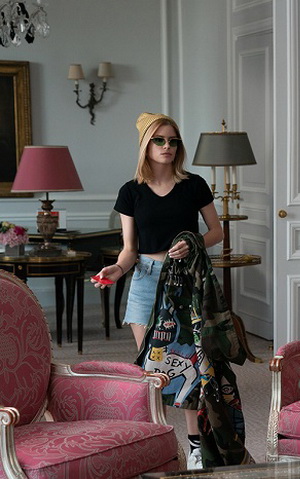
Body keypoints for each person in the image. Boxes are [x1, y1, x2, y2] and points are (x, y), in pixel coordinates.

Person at [91, 112, 223, 469]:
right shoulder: (131, 191)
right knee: (154, 371)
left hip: (187, 280)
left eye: (173, 141)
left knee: (191, 368)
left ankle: (195, 447)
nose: (167, 146)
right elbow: (129, 250)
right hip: (146, 280)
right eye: (159, 140)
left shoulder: (193, 185)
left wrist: (194, 241)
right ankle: (155, 443)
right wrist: (116, 270)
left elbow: (217, 232)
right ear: (145, 145)